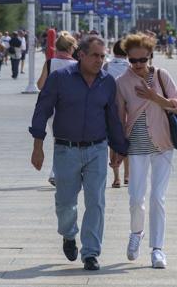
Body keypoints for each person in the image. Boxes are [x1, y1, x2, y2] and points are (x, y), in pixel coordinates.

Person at [29, 35, 128, 271]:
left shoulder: (107, 82)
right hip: (66, 149)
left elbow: (112, 118)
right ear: (80, 55)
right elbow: (42, 109)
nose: (100, 60)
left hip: (97, 149)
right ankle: (68, 234)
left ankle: (91, 253)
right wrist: (38, 146)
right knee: (65, 203)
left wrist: (119, 149)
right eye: (95, 55)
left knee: (96, 202)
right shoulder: (60, 79)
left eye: (103, 56)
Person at [114, 34, 177, 269]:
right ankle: (137, 232)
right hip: (136, 146)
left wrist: (155, 97)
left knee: (157, 197)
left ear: (150, 56)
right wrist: (117, 149)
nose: (138, 65)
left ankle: (158, 249)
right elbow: (119, 117)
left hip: (163, 144)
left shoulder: (162, 76)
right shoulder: (122, 82)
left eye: (142, 59)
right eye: (133, 61)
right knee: (135, 198)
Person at [36, 32, 77, 187]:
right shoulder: (76, 66)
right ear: (71, 48)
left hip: (52, 110)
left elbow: (40, 85)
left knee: (58, 141)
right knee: (68, 142)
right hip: (71, 110)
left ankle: (57, 173)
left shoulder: (50, 63)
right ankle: (58, 173)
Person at [104, 39, 130, 188]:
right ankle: (128, 175)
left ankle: (116, 178)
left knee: (113, 143)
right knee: (127, 141)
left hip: (111, 109)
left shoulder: (107, 66)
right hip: (128, 109)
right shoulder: (131, 67)